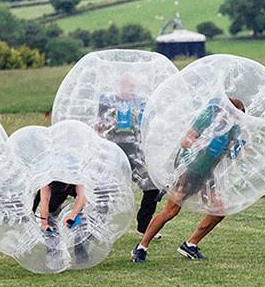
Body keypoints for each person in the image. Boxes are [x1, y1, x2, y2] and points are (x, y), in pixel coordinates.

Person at [131, 97, 246, 264]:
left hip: (206, 172)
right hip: (188, 168)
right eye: (236, 114)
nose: (238, 118)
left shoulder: (234, 128)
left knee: (219, 210)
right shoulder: (208, 117)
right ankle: (141, 248)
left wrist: (234, 150)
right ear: (226, 110)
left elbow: (230, 152)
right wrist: (202, 142)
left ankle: (190, 245)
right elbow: (185, 142)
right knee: (171, 211)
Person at [94, 78, 162, 239]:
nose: (131, 89)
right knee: (105, 189)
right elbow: (98, 126)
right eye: (127, 86)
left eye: (133, 86)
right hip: (114, 151)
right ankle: (98, 226)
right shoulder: (107, 102)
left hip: (136, 151)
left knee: (152, 187)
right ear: (119, 87)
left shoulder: (141, 104)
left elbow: (149, 124)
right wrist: (112, 122)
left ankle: (144, 226)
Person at [32, 181, 88, 263]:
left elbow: (81, 198)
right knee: (50, 232)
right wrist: (44, 223)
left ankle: (81, 254)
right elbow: (45, 201)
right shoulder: (47, 182)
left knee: (78, 222)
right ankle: (54, 258)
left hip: (61, 203)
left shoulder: (76, 177)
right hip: (46, 209)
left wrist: (72, 216)